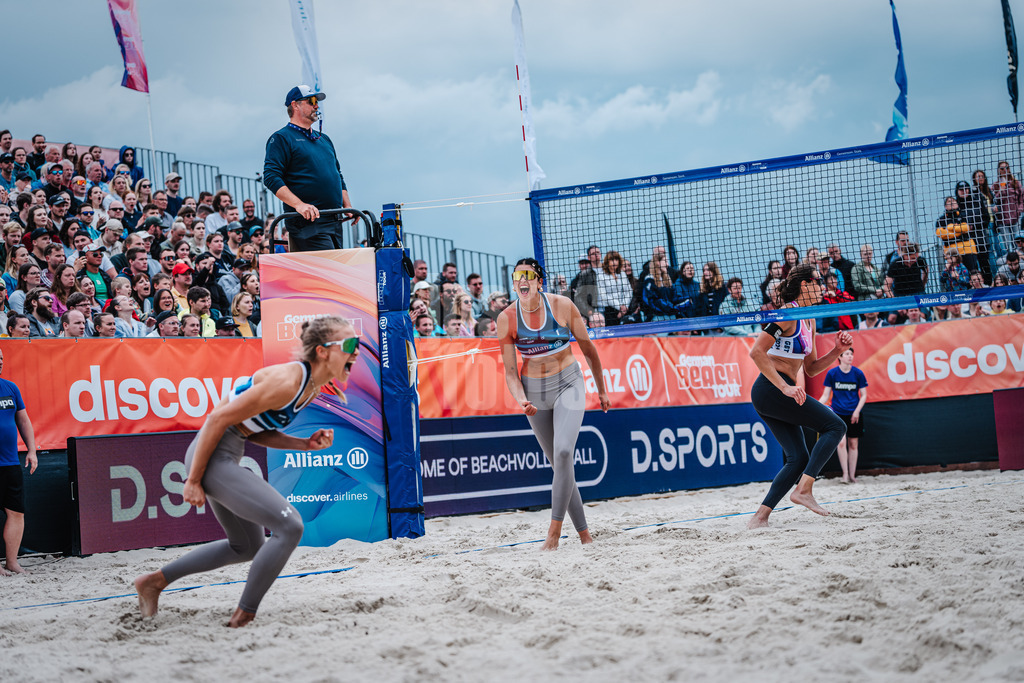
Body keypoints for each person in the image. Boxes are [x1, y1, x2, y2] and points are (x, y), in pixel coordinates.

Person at [133, 319, 356, 627]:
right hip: (212, 455)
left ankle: (153, 582)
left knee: (247, 547)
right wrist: (193, 480)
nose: (356, 352)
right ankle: (243, 616)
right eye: (349, 345)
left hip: (227, 453)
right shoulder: (287, 382)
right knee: (290, 526)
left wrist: (304, 444)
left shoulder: (310, 387)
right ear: (322, 351)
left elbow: (252, 430)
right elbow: (217, 419)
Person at [497, 258, 610, 550]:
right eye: (517, 276)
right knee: (560, 465)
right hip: (534, 392)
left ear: (539, 281)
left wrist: (602, 390)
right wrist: (521, 399)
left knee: (563, 452)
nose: (522, 280)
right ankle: (585, 536)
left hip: (568, 382)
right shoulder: (506, 318)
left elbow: (589, 350)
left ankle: (553, 534)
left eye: (528, 275)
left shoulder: (562, 305)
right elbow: (510, 372)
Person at [746, 264, 852, 529]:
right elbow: (756, 352)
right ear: (805, 284)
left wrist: (837, 351)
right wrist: (784, 387)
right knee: (835, 426)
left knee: (797, 458)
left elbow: (811, 368)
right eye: (818, 282)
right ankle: (804, 490)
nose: (823, 287)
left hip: (780, 392)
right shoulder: (787, 314)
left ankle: (759, 518)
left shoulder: (809, 319)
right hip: (772, 389)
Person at [263, 85, 352, 251]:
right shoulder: (282, 138)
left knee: (337, 265)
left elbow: (337, 174)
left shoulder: (324, 139)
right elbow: (270, 177)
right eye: (311, 101)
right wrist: (299, 205)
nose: (316, 105)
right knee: (328, 266)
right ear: (295, 105)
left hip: (333, 220)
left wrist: (347, 204)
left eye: (316, 101)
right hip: (307, 223)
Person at [0, 347, 37, 575]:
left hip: (10, 462)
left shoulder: (10, 388)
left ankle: (12, 562)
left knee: (16, 512)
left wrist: (32, 450)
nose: (0, 362)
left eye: (1, 358)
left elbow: (23, 420)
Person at [820, 349, 868, 484]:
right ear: (840, 357)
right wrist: (815, 407)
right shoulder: (832, 373)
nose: (850, 356)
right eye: (847, 354)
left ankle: (852, 475)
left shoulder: (858, 373)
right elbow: (825, 395)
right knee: (841, 443)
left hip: (854, 413)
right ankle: (845, 474)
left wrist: (857, 411)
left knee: (853, 444)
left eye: (851, 354)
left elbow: (864, 395)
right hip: (837, 413)